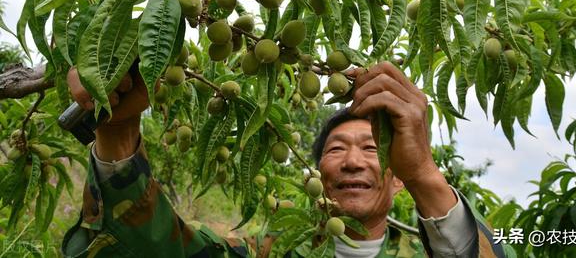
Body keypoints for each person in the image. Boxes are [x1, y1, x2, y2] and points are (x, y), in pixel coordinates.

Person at [62, 61, 505, 257]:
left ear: (398, 178)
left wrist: (426, 171)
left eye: (373, 149)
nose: (352, 161)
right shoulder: (272, 252)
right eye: (335, 149)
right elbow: (157, 252)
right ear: (318, 175)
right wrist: (116, 131)